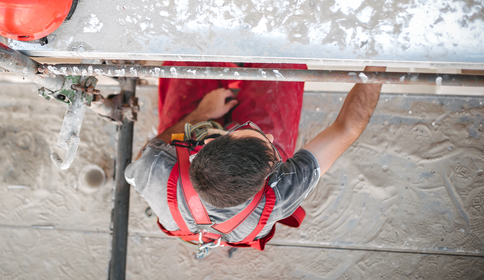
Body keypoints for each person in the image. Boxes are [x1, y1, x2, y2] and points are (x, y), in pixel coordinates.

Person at [125, 61, 385, 255]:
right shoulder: (279, 196)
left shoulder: (157, 172)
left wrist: (200, 114)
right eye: (267, 145)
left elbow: (139, 162)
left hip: (192, 143)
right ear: (267, 180)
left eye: (259, 136)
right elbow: (347, 129)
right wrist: (378, 62)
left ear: (208, 142)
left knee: (186, 60)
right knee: (282, 64)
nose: (270, 139)